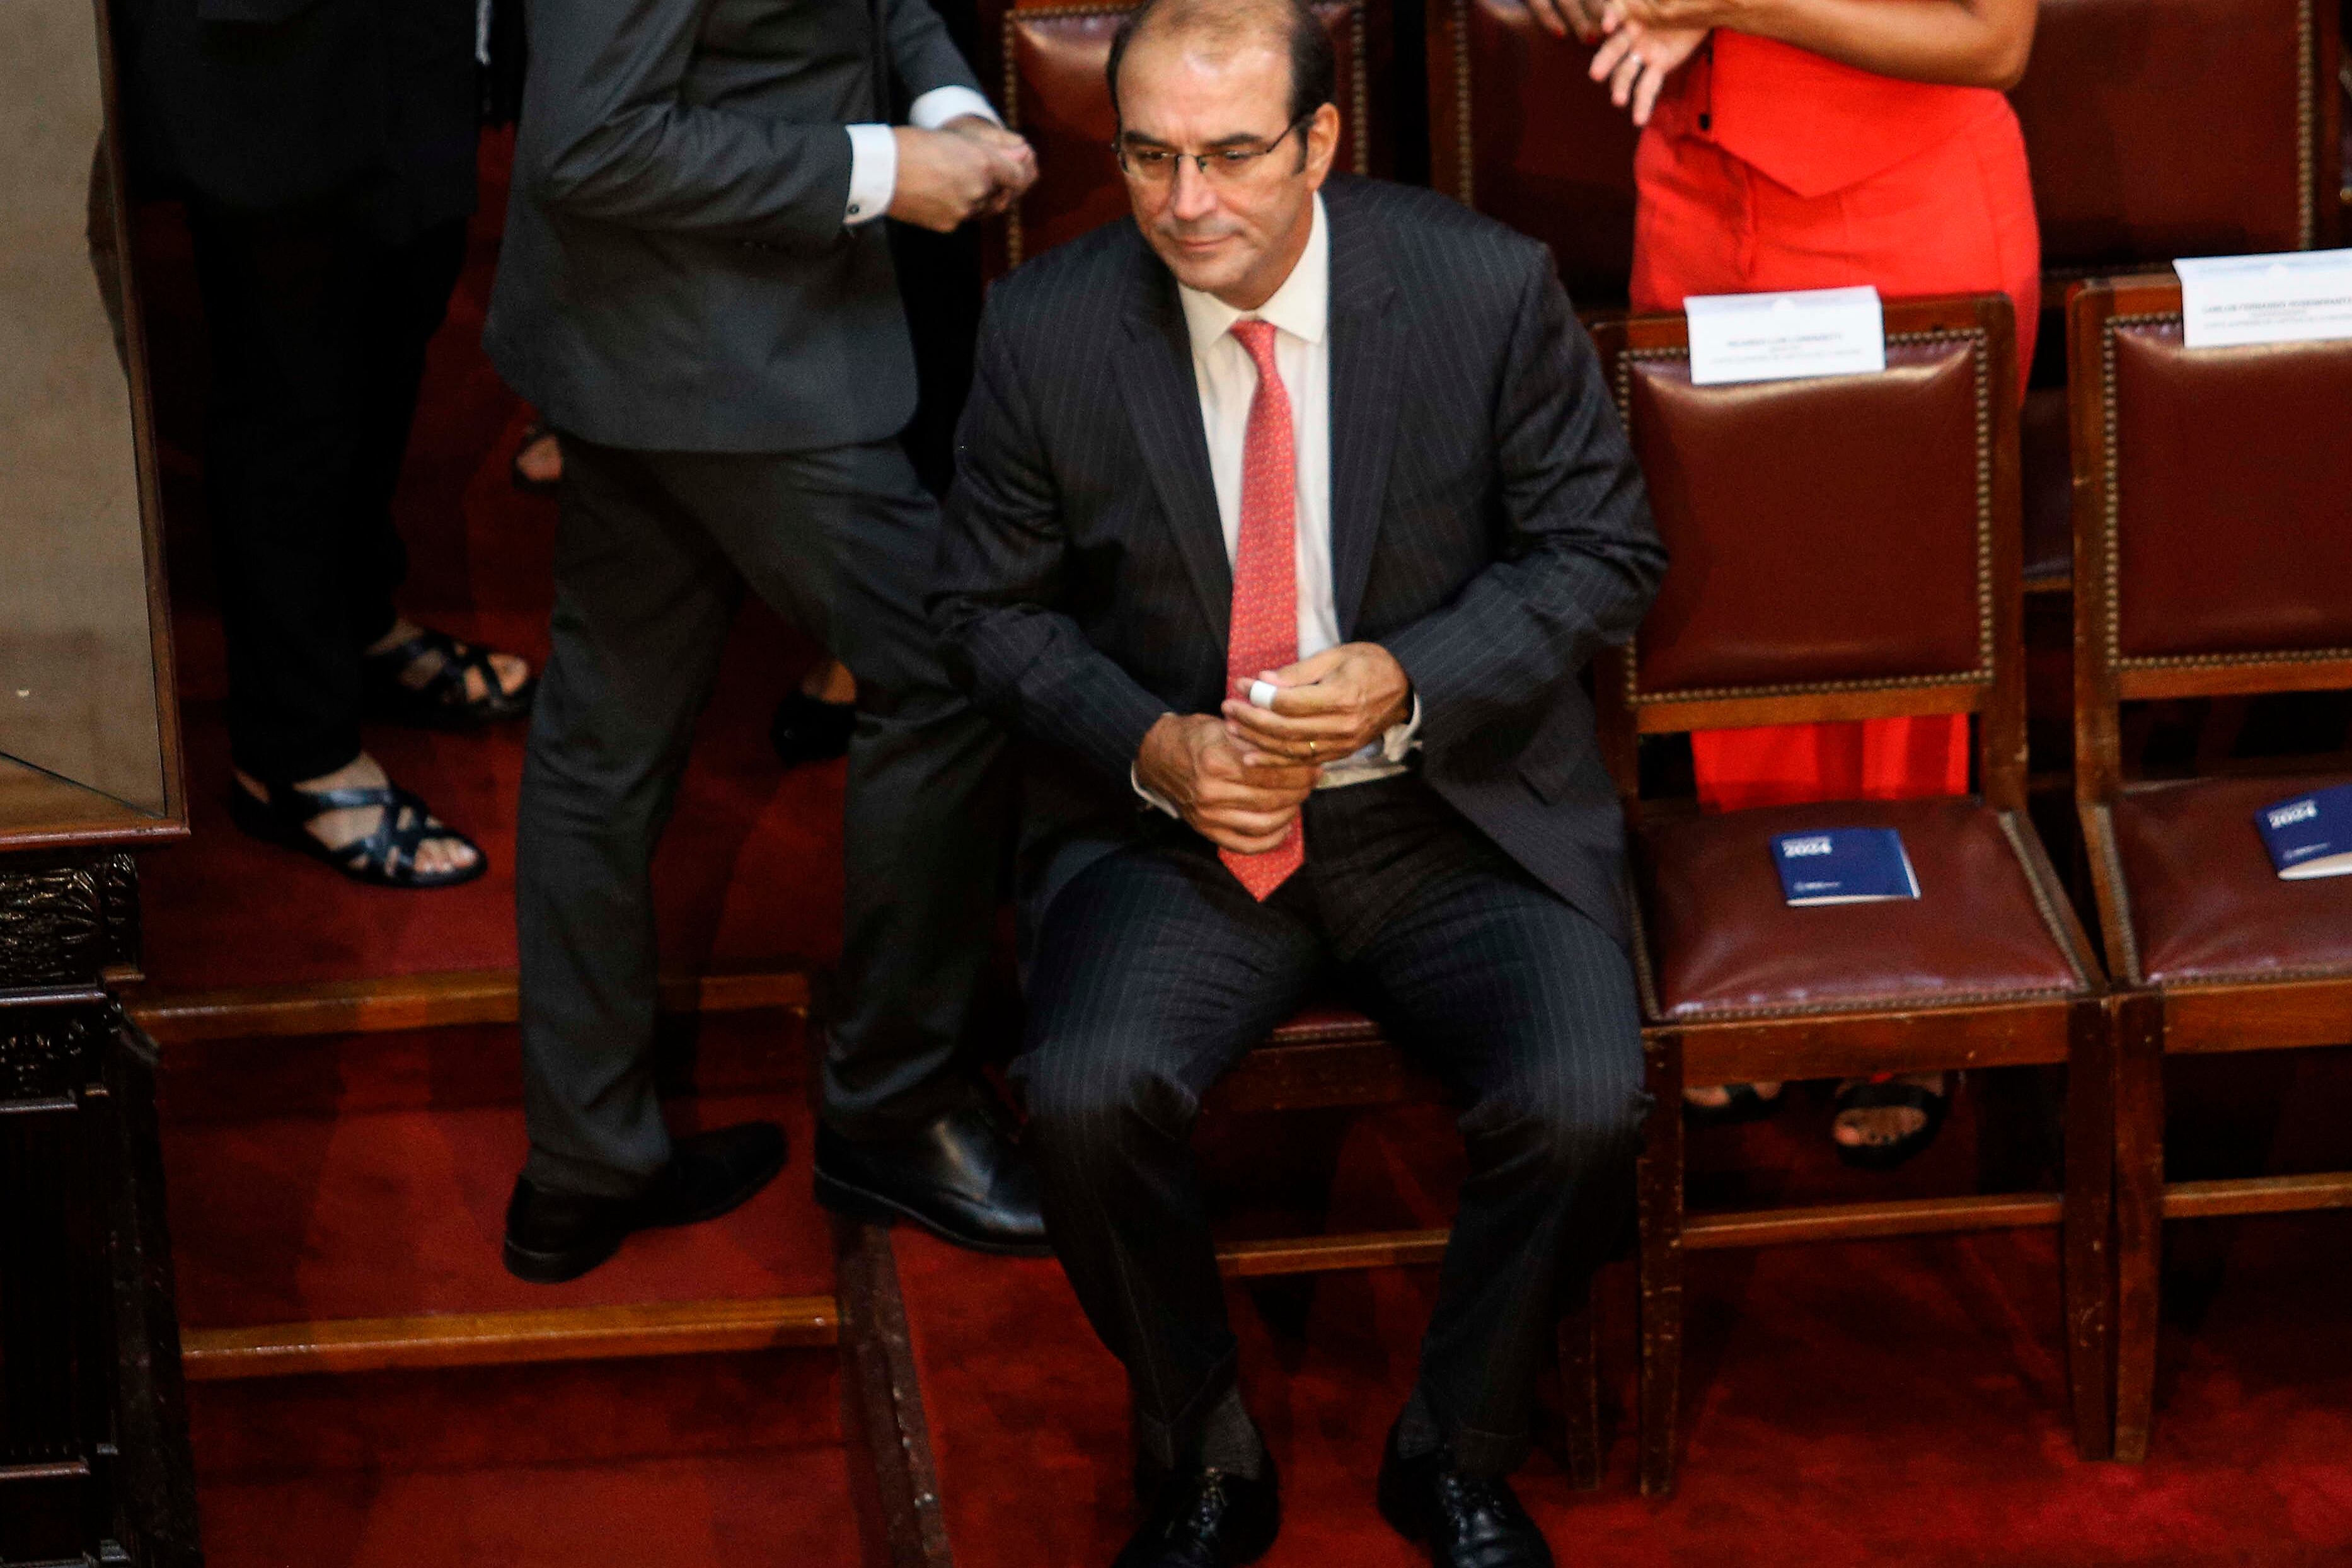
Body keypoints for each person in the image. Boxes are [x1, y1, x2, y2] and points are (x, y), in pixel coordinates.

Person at [932, 3, 1666, 1562]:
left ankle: (1457, 1444)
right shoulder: (1047, 331)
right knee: (1080, 1094)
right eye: (1149, 156)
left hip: (1446, 811)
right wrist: (1156, 745)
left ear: (1321, 141)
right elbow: (983, 614)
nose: (1186, 201)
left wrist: (1411, 674)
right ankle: (1201, 1452)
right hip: (1184, 833)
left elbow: (1606, 554)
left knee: (1588, 1098)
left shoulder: (1479, 288)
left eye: (1231, 154)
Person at [484, 0, 1049, 1283]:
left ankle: (583, 1165)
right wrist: (881, 168)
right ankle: (894, 1112)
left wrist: (948, 105)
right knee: (955, 668)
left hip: (669, 345)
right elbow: (586, 143)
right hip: (718, 351)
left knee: (601, 743)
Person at [1533, 0, 2039, 1164]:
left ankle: (1906, 997)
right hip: (1698, 191)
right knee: (1731, 594)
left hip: (1908, 198)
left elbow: (1992, 40)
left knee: (1893, 614)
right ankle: (1767, 961)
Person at [113, 0, 538, 889]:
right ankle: (293, 754)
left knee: (396, 332)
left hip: (417, 42)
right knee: (291, 399)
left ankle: (357, 624)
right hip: (265, 50)